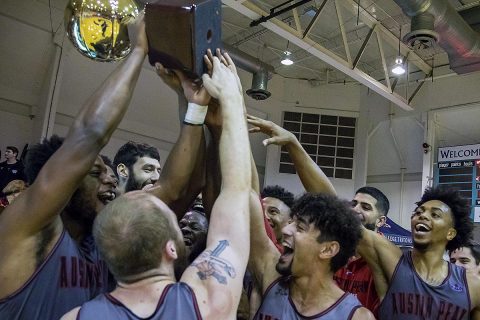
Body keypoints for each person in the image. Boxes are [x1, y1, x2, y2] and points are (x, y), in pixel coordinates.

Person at [0, 15, 205, 319]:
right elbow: (89, 136)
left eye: (108, 170)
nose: (110, 178)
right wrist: (137, 50)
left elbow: (177, 188)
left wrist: (190, 102)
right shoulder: (26, 227)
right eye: (96, 173)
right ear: (63, 186)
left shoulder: (106, 236)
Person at [61, 49, 253, 320]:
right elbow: (236, 192)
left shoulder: (75, 317)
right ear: (170, 249)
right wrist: (233, 99)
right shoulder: (207, 302)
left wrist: (194, 105)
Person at [358, 186, 480, 319]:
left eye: (435, 214)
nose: (422, 215)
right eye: (418, 212)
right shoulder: (392, 261)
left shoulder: (473, 285)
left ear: (450, 233)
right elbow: (344, 219)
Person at [334, 186, 390, 317]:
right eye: (353, 204)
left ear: (380, 221)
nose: (355, 210)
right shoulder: (334, 251)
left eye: (365, 207)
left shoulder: (387, 260)